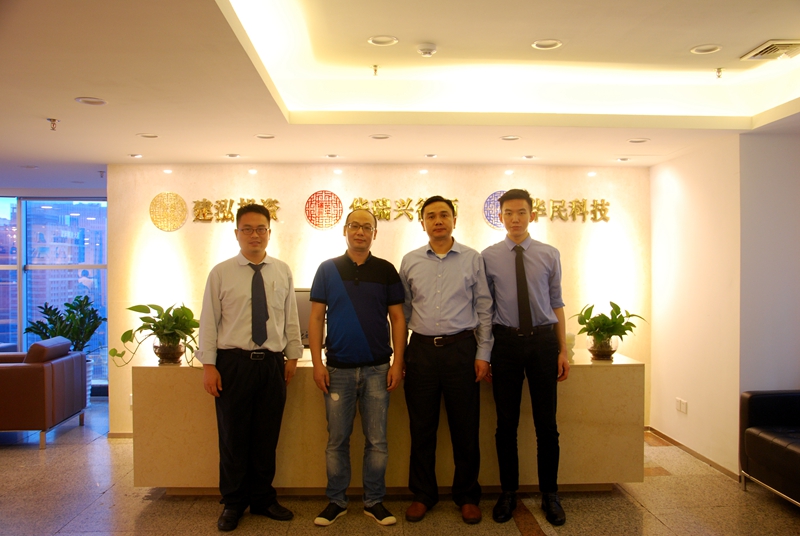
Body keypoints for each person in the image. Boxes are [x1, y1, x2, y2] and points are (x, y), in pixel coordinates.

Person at [197, 204, 303, 532]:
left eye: (260, 229)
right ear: (237, 233)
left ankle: (262, 499)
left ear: (269, 232)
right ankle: (233, 502)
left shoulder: (282, 271)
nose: (254, 235)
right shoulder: (221, 273)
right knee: (233, 437)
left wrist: (292, 356)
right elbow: (209, 321)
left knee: (266, 436)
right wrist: (209, 365)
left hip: (271, 364)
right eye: (247, 229)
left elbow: (290, 317)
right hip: (233, 364)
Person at [399, 195, 493, 525]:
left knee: (465, 428)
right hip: (421, 351)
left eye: (444, 215)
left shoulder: (472, 258)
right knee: (421, 428)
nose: (438, 221)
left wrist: (483, 354)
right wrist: (401, 355)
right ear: (422, 222)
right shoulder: (410, 261)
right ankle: (423, 494)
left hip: (461, 350)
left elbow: (484, 308)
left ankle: (467, 496)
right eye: (431, 216)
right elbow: (403, 312)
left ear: (454, 219)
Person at [308, 209, 407, 527]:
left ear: (375, 233)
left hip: (378, 370)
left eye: (367, 227)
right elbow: (315, 317)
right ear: (345, 230)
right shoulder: (327, 269)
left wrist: (398, 363)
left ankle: (374, 501)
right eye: (354, 226)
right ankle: (336, 501)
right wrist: (317, 363)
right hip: (338, 371)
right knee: (337, 440)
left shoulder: (386, 270)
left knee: (377, 441)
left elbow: (398, 319)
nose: (360, 232)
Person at [481, 189, 570, 526]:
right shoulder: (488, 257)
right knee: (506, 425)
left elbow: (556, 302)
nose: (515, 219)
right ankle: (508, 493)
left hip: (543, 344)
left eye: (521, 212)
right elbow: (485, 309)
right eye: (508, 213)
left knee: (547, 425)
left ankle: (550, 494)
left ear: (532, 215)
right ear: (500, 217)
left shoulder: (549, 254)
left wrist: (563, 350)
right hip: (505, 344)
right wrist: (485, 352)